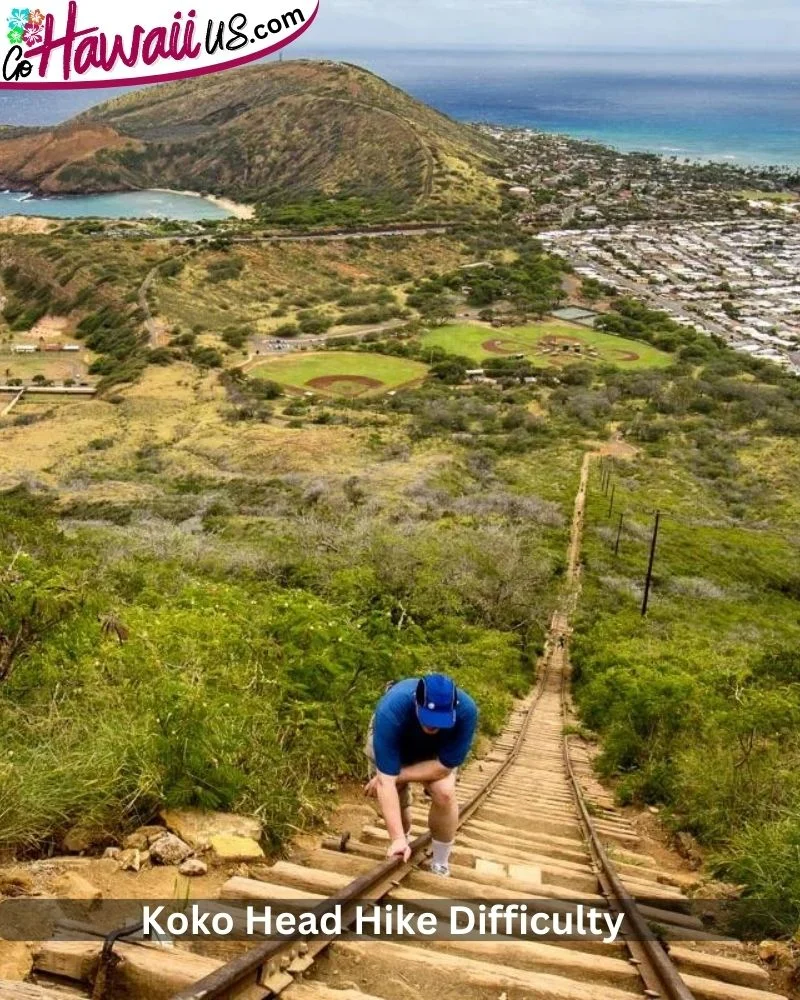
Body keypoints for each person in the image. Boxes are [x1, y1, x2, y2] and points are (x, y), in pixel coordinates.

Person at [363, 674, 478, 876]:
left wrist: (394, 776)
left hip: (435, 753)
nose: (433, 726)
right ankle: (402, 840)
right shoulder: (391, 710)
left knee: (444, 792)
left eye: (440, 720)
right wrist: (397, 838)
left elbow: (444, 767)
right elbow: (387, 784)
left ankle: (441, 861)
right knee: (394, 794)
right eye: (428, 718)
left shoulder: (466, 712)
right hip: (398, 740)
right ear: (417, 703)